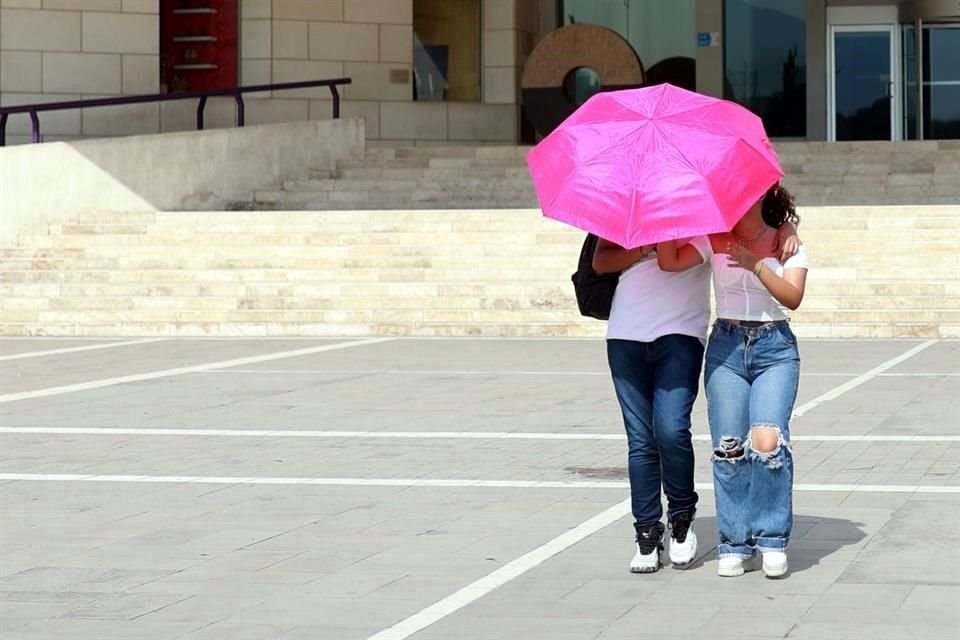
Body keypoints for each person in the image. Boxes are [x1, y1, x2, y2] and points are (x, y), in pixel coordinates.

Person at [593, 212, 799, 574]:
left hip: (684, 329)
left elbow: (755, 229)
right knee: (642, 441)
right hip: (626, 329)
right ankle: (646, 533)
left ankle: (683, 518)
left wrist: (787, 227)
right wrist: (643, 249)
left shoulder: (704, 213)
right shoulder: (632, 204)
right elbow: (601, 261)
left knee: (672, 430)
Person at [656, 184, 807, 578]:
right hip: (726, 345)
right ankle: (735, 542)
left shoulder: (785, 241)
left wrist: (755, 262)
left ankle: (772, 539)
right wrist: (665, 215)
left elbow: (792, 297)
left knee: (767, 440)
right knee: (729, 447)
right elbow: (670, 262)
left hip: (774, 346)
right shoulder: (713, 238)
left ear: (758, 196)